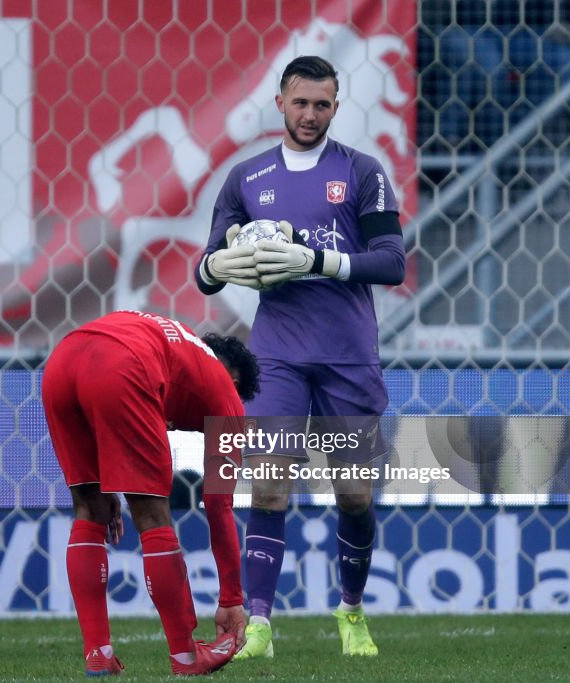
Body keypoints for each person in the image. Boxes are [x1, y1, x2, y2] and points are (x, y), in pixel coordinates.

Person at [195, 55, 407, 659]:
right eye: (300, 102)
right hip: (276, 357)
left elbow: (392, 261)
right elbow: (207, 268)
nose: (310, 114)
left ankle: (352, 611)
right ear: (280, 102)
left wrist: (317, 261)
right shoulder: (245, 178)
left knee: (355, 497)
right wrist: (214, 265)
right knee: (267, 488)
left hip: (347, 356)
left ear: (336, 108)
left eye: (322, 104)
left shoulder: (363, 172)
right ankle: (258, 624)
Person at [42, 310, 259, 676]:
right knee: (153, 517)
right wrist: (232, 600)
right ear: (233, 378)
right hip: (124, 365)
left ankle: (98, 654)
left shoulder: (179, 343)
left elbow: (104, 360)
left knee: (88, 509)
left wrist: (104, 480)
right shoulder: (228, 398)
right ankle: (186, 657)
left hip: (62, 360)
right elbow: (219, 505)